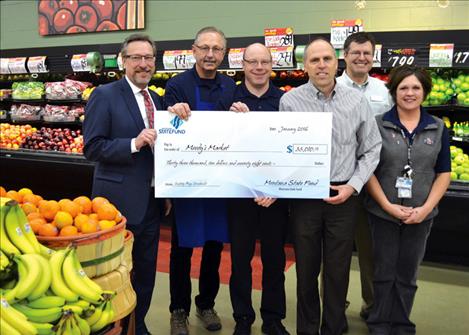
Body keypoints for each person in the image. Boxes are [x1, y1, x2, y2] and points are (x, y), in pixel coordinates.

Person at [279, 37, 382, 335]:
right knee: (306, 269)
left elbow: (372, 148)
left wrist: (354, 185)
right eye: (314, 60)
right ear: (304, 66)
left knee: (337, 270)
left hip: (344, 196)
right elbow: (282, 148)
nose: (321, 65)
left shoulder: (356, 101)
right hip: (305, 197)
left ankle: (334, 327)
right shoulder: (290, 101)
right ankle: (308, 328)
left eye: (326, 59)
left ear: (337, 63)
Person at [83, 33, 166, 335]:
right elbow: (92, 148)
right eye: (136, 58)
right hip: (115, 205)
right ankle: (110, 327)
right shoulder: (104, 95)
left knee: (145, 272)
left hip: (152, 202)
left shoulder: (156, 99)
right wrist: (133, 143)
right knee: (114, 274)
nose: (143, 64)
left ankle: (138, 325)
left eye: (148, 58)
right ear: (123, 61)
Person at [364, 65, 451, 335]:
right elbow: (368, 170)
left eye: (416, 87)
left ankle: (402, 323)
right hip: (383, 213)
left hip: (421, 216)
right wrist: (387, 206)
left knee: (408, 275)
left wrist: (426, 209)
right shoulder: (378, 124)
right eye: (404, 87)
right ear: (394, 91)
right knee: (383, 272)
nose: (410, 93)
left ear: (425, 91)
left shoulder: (437, 127)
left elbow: (444, 173)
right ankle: (378, 322)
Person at [163, 26, 236, 335]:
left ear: (224, 53)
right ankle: (178, 309)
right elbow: (169, 132)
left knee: (214, 246)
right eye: (204, 48)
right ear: (193, 50)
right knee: (181, 249)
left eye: (216, 49)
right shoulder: (176, 85)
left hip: (220, 181)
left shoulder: (232, 86)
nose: (210, 54)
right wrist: (171, 113)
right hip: (187, 182)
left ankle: (205, 303)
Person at [220, 43, 290, 335]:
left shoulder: (286, 100)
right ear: (243, 65)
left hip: (275, 196)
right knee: (240, 259)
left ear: (271, 65)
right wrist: (230, 121)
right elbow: (216, 144)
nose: (259, 67)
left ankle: (273, 319)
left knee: (275, 259)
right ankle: (243, 318)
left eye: (264, 62)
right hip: (240, 194)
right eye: (253, 62)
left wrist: (279, 187)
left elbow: (291, 150)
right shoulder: (229, 98)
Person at [336, 32, 393, 323]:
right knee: (337, 251)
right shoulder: (331, 89)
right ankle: (336, 308)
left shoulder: (384, 92)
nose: (361, 58)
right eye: (356, 52)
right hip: (340, 181)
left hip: (375, 181)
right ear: (344, 55)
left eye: (367, 53)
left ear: (373, 56)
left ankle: (372, 307)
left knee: (373, 251)